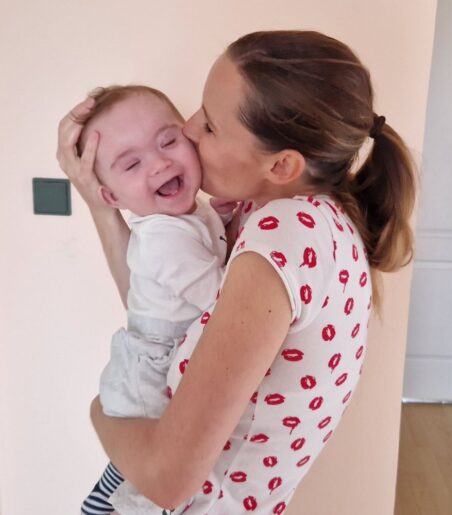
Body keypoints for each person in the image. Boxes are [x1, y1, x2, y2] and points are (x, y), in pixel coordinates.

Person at [57, 30, 416, 514]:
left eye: (209, 125)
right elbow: (167, 305)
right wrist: (101, 203)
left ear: (282, 165)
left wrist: (101, 413)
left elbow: (167, 479)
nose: (188, 129)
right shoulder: (290, 212)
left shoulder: (284, 237)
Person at [71, 85, 235, 515]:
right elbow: (223, 300)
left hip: (156, 361)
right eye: (131, 164)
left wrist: (224, 218)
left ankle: (102, 501)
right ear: (111, 198)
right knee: (155, 483)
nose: (159, 162)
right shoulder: (163, 241)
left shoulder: (188, 211)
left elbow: (207, 243)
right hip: (151, 373)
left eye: (168, 140)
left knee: (130, 471)